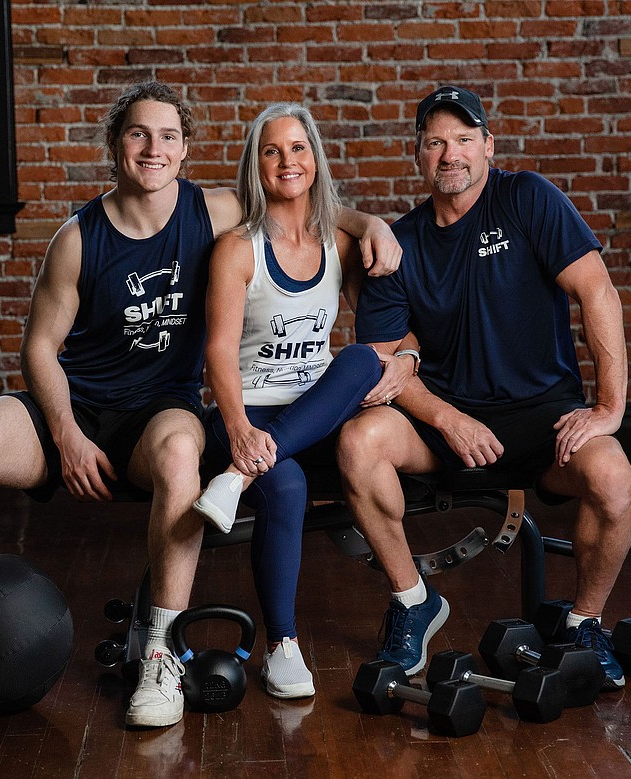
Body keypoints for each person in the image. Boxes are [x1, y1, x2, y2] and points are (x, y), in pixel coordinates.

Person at [0, 81, 401, 728]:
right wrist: (65, 433)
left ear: (184, 151)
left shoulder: (210, 211)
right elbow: (40, 347)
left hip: (159, 409)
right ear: (115, 147)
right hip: (76, 406)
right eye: (138, 134)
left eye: (169, 136)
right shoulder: (77, 236)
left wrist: (370, 222)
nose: (154, 148)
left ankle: (160, 652)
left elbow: (303, 194)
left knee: (183, 452)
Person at [338, 85, 631, 690]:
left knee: (612, 477)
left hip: (542, 418)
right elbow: (384, 362)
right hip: (445, 419)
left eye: (465, 140)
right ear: (418, 154)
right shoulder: (403, 243)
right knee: (358, 441)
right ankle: (412, 600)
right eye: (436, 142)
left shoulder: (527, 199)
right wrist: (447, 418)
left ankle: (583, 622)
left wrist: (608, 408)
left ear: (488, 146)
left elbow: (597, 292)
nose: (452, 154)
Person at [192, 103, 414, 699]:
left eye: (297, 148)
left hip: (310, 416)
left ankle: (236, 481)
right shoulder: (239, 248)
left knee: (365, 358)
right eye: (272, 150)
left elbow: (395, 331)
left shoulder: (341, 245)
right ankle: (283, 646)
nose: (286, 161)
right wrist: (238, 431)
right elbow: (216, 352)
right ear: (255, 165)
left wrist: (373, 227)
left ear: (314, 160)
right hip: (246, 418)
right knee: (285, 485)